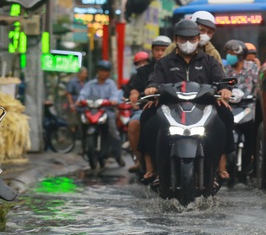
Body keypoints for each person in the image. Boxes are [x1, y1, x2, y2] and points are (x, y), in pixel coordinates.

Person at [142, 20, 233, 185]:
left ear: (198, 39)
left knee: (226, 116)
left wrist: (224, 90)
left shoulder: (209, 61)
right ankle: (153, 167)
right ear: (176, 39)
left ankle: (220, 165)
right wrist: (152, 88)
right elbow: (155, 80)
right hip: (171, 107)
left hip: (203, 106)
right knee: (147, 118)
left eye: (192, 39)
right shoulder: (164, 62)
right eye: (183, 39)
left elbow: (221, 80)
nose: (188, 43)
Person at [126, 36, 171, 172]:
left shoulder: (177, 68)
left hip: (173, 109)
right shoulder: (144, 70)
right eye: (156, 50)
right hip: (147, 107)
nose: (159, 53)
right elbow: (134, 86)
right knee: (134, 124)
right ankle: (140, 160)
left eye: (163, 50)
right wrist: (134, 93)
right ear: (152, 51)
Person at [77, 60, 125, 166]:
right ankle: (84, 147)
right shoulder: (90, 84)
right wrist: (80, 101)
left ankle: (118, 155)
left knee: (113, 133)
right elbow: (83, 94)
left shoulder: (111, 84)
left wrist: (113, 101)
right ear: (97, 71)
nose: (104, 73)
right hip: (92, 111)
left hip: (107, 112)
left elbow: (115, 96)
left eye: (106, 71)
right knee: (82, 125)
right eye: (102, 70)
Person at [65, 66, 88, 137]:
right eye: (85, 73)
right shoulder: (72, 82)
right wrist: (71, 105)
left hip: (84, 107)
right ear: (79, 74)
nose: (86, 75)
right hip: (75, 106)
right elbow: (68, 94)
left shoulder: (86, 83)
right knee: (74, 123)